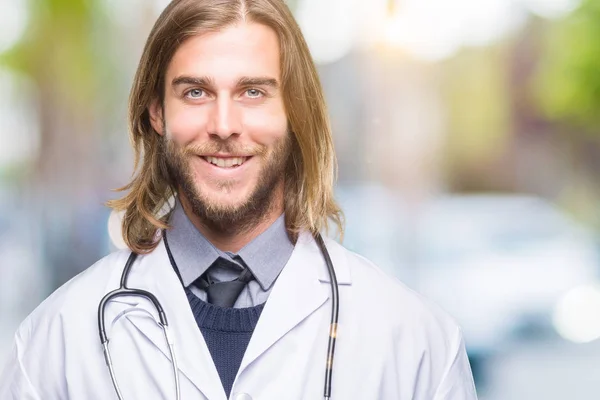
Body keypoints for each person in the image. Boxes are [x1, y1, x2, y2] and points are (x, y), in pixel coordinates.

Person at [0, 0, 478, 399]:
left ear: (294, 113)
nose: (224, 124)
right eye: (195, 92)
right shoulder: (55, 343)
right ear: (157, 113)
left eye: (252, 91)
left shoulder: (417, 346)